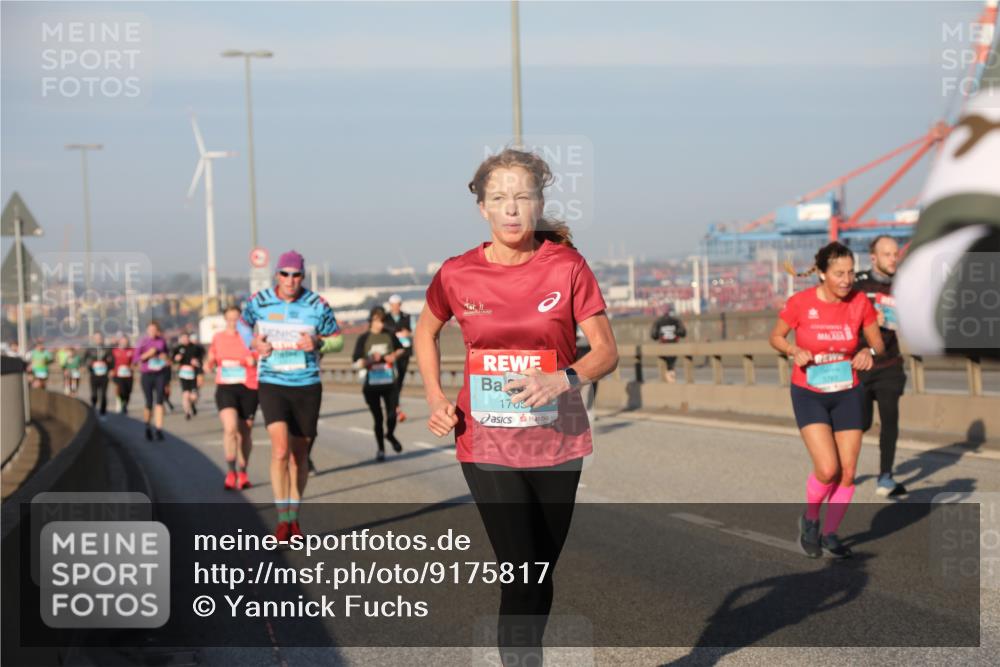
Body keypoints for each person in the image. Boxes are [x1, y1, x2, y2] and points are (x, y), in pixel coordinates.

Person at [414, 149, 618, 666]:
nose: (511, 208)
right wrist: (436, 397)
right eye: (499, 198)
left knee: (539, 573)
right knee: (520, 571)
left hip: (560, 436)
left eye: (523, 197)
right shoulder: (458, 273)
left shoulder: (567, 266)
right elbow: (426, 328)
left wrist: (562, 378)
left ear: (539, 203)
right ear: (482, 207)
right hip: (487, 440)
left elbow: (606, 351)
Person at [770, 241, 885, 560]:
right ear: (822, 274)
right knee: (828, 468)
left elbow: (878, 343)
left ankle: (831, 533)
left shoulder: (860, 301)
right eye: (839, 274)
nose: (847, 280)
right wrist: (794, 350)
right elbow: (775, 337)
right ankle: (810, 520)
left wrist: (868, 352)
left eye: (850, 272)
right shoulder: (800, 303)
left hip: (847, 390)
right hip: (810, 392)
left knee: (848, 473)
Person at [239, 250, 343, 540]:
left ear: (303, 277)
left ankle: (293, 516)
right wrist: (253, 343)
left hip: (307, 387)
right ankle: (282, 520)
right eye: (285, 273)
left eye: (296, 274)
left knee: (299, 457)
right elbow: (242, 323)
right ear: (277, 275)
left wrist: (318, 342)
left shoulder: (317, 305)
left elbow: (338, 340)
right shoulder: (259, 302)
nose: (290, 280)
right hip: (272, 383)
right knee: (280, 450)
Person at [855, 236, 907, 498]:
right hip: (861, 365)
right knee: (860, 423)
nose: (893, 259)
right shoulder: (858, 284)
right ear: (873, 258)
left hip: (889, 363)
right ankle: (843, 467)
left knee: (890, 421)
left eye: (895, 254)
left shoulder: (903, 285)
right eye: (887, 254)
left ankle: (885, 476)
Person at [207, 306, 258, 490]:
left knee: (245, 433)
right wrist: (209, 361)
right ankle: (230, 472)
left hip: (249, 387)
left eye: (237, 319)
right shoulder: (218, 338)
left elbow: (260, 356)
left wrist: (253, 359)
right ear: (225, 320)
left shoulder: (251, 338)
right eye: (230, 319)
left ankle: (243, 471)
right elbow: (212, 356)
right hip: (226, 387)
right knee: (230, 429)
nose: (233, 322)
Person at [353, 307, 405, 461]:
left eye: (382, 321)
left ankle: (389, 434)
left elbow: (402, 349)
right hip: (371, 385)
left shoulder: (389, 335)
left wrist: (394, 355)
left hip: (389, 382)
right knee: (378, 419)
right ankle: (381, 449)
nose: (380, 324)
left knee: (391, 415)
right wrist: (369, 360)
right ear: (371, 321)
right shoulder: (364, 338)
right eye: (377, 320)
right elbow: (356, 362)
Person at [134, 321, 170, 441]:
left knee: (159, 401)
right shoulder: (142, 342)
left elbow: (167, 355)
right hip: (147, 375)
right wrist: (148, 354)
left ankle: (159, 429)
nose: (153, 332)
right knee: (149, 402)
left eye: (155, 330)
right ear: (147, 331)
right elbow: (135, 359)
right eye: (150, 330)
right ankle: (147, 426)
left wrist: (164, 357)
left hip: (160, 374)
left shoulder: (162, 341)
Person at [384, 294, 413, 422]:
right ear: (390, 306)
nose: (396, 307)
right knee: (392, 381)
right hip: (390, 354)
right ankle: (394, 409)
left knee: (399, 381)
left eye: (398, 305)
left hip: (404, 353)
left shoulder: (407, 317)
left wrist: (409, 333)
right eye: (393, 305)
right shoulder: (385, 318)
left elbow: (417, 330)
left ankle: (394, 407)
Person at [651, 305, 687, 382]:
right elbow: (683, 333)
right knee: (671, 366)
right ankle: (671, 380)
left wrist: (661, 334)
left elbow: (653, 335)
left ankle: (665, 384)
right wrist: (675, 332)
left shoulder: (658, 321)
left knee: (663, 368)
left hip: (662, 348)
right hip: (674, 347)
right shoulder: (676, 321)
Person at [172, 332, 203, 420]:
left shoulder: (195, 348)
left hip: (193, 374)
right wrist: (176, 359)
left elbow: (200, 361)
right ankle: (187, 413)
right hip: (183, 374)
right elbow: (172, 359)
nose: (185, 340)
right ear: (181, 339)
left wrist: (197, 363)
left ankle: (192, 404)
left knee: (194, 396)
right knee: (186, 394)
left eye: (186, 338)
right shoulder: (178, 348)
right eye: (183, 338)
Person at [83, 332, 115, 416]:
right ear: (93, 339)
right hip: (94, 375)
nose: (98, 340)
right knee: (94, 394)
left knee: (103, 394)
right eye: (96, 338)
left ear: (103, 339)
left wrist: (111, 369)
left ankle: (103, 412)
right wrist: (88, 365)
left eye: (100, 338)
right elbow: (84, 360)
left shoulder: (107, 349)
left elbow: (112, 360)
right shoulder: (90, 349)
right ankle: (93, 409)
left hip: (104, 375)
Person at [111, 335, 135, 414]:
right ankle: (120, 401)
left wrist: (133, 365)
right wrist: (111, 370)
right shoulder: (114, 351)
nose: (124, 343)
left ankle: (125, 404)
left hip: (128, 374)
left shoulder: (131, 350)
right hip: (118, 374)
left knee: (128, 391)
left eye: (125, 341)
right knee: (121, 389)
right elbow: (110, 361)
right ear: (119, 342)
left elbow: (135, 360)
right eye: (122, 341)